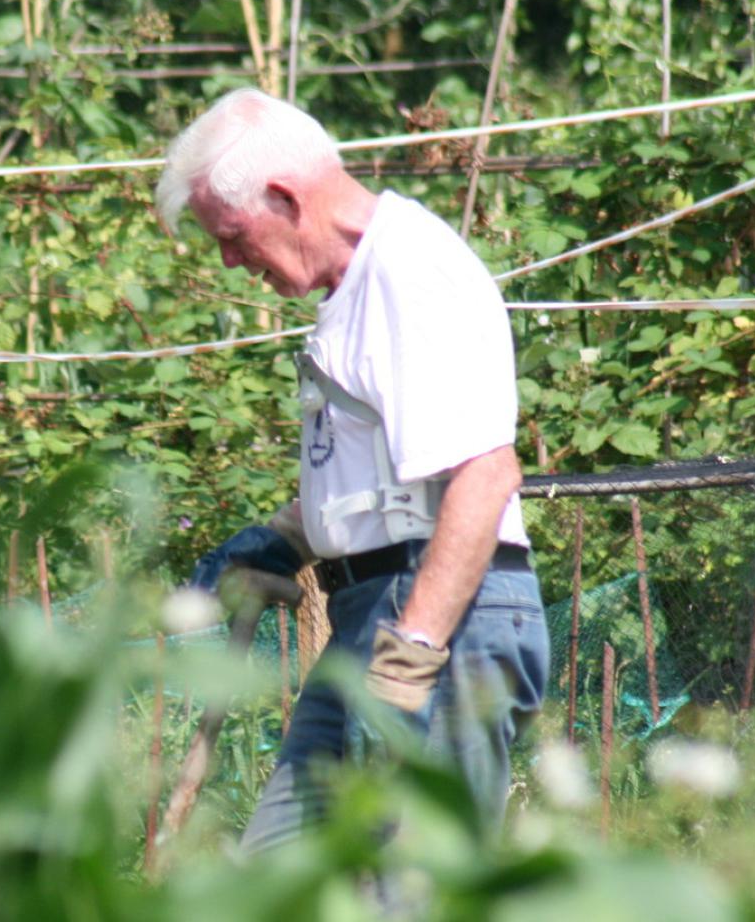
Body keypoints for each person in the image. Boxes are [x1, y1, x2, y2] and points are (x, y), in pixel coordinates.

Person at [156, 88, 549, 853]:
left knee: (412, 893)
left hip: (442, 620)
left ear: (286, 197)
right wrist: (276, 544)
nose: (231, 260)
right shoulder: (356, 291)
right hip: (373, 613)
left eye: (232, 235)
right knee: (277, 881)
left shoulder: (409, 274)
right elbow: (389, 485)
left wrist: (408, 666)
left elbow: (485, 476)